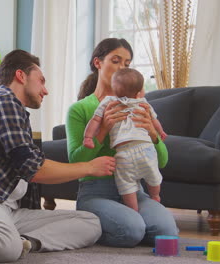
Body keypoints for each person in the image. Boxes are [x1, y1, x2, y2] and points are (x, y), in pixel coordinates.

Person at [0, 49, 116, 263]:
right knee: (3, 245)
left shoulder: (14, 108)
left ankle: (22, 242)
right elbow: (32, 168)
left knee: (90, 223)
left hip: (8, 211)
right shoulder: (3, 100)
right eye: (41, 81)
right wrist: (90, 167)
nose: (45, 90)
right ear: (21, 76)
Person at [67, 38, 178, 248]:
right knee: (131, 231)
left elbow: (162, 162)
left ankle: (127, 222)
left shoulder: (139, 106)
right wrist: (102, 132)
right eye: (116, 61)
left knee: (167, 232)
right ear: (98, 63)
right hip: (95, 191)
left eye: (127, 64)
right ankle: (93, 226)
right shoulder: (80, 109)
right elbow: (75, 161)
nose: (122, 67)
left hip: (133, 189)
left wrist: (154, 135)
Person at [83, 68, 165, 212]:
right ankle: (155, 195)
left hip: (123, 153)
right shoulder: (143, 102)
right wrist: (160, 132)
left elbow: (95, 120)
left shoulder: (109, 102)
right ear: (139, 91)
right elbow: (155, 120)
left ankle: (133, 210)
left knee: (126, 185)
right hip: (145, 148)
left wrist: (88, 137)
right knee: (153, 174)